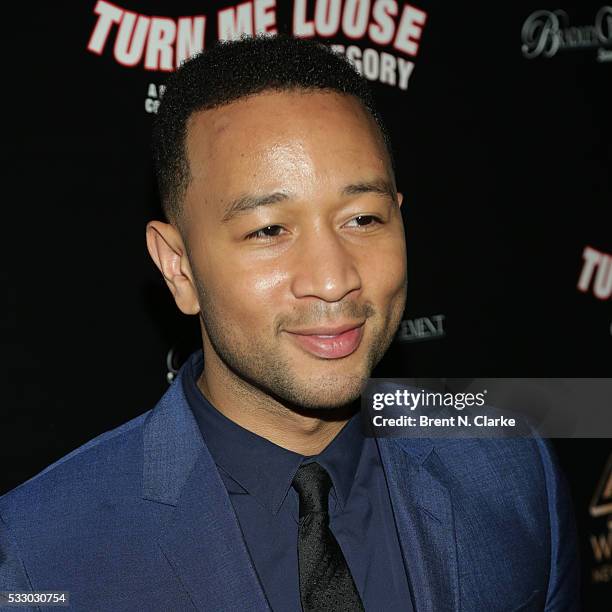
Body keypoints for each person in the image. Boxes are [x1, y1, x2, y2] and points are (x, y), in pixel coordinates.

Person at [0, 34, 579, 611]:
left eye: (362, 218)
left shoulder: (508, 458)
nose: (333, 280)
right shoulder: (41, 550)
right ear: (179, 268)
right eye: (269, 230)